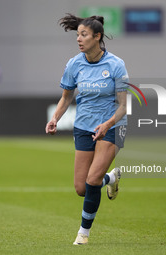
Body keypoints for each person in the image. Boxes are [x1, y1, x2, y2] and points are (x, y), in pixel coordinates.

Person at [45, 13, 129, 245]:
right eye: (78, 35)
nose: (79, 39)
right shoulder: (74, 64)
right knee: (82, 188)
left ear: (97, 37)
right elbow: (66, 97)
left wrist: (108, 123)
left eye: (83, 35)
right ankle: (111, 179)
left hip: (113, 126)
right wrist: (55, 118)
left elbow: (123, 106)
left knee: (92, 179)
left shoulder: (115, 65)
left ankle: (83, 233)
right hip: (83, 127)